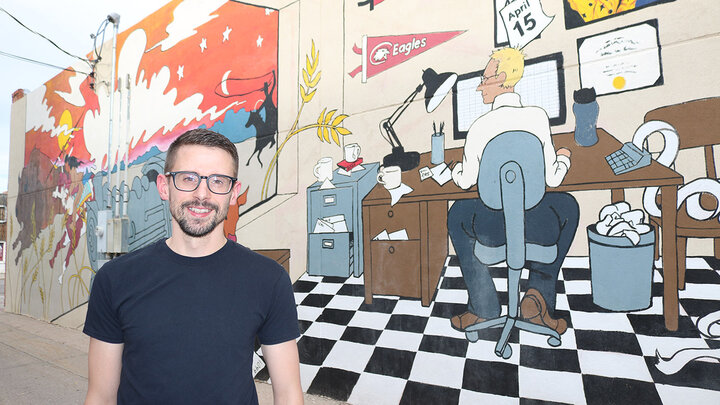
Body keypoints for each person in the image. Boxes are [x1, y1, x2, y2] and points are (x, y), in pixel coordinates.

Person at [83, 128, 303, 405]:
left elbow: (288, 393)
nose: (202, 194)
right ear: (164, 187)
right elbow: (100, 396)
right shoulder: (115, 279)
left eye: (218, 181)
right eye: (188, 178)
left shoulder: (268, 280)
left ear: (233, 193)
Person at [448, 47, 579, 335]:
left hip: (491, 229)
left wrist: (454, 170)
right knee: (568, 206)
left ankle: (483, 308)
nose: (481, 86)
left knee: (457, 212)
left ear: (503, 78)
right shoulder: (537, 117)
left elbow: (465, 181)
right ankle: (538, 299)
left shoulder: (479, 127)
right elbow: (554, 180)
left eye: (485, 79)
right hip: (537, 226)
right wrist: (565, 157)